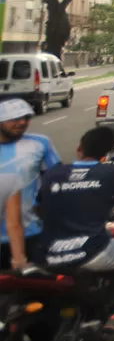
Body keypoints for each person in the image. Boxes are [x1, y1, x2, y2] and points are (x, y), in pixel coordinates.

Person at [36, 127, 114, 339]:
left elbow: (39, 208)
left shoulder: (54, 173)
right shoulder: (112, 172)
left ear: (79, 148)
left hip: (48, 253)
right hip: (90, 252)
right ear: (107, 152)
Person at [0, 99, 60, 268]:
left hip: (31, 232)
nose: (22, 123)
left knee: (35, 288)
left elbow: (56, 180)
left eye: (26, 118)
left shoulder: (40, 143)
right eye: (15, 118)